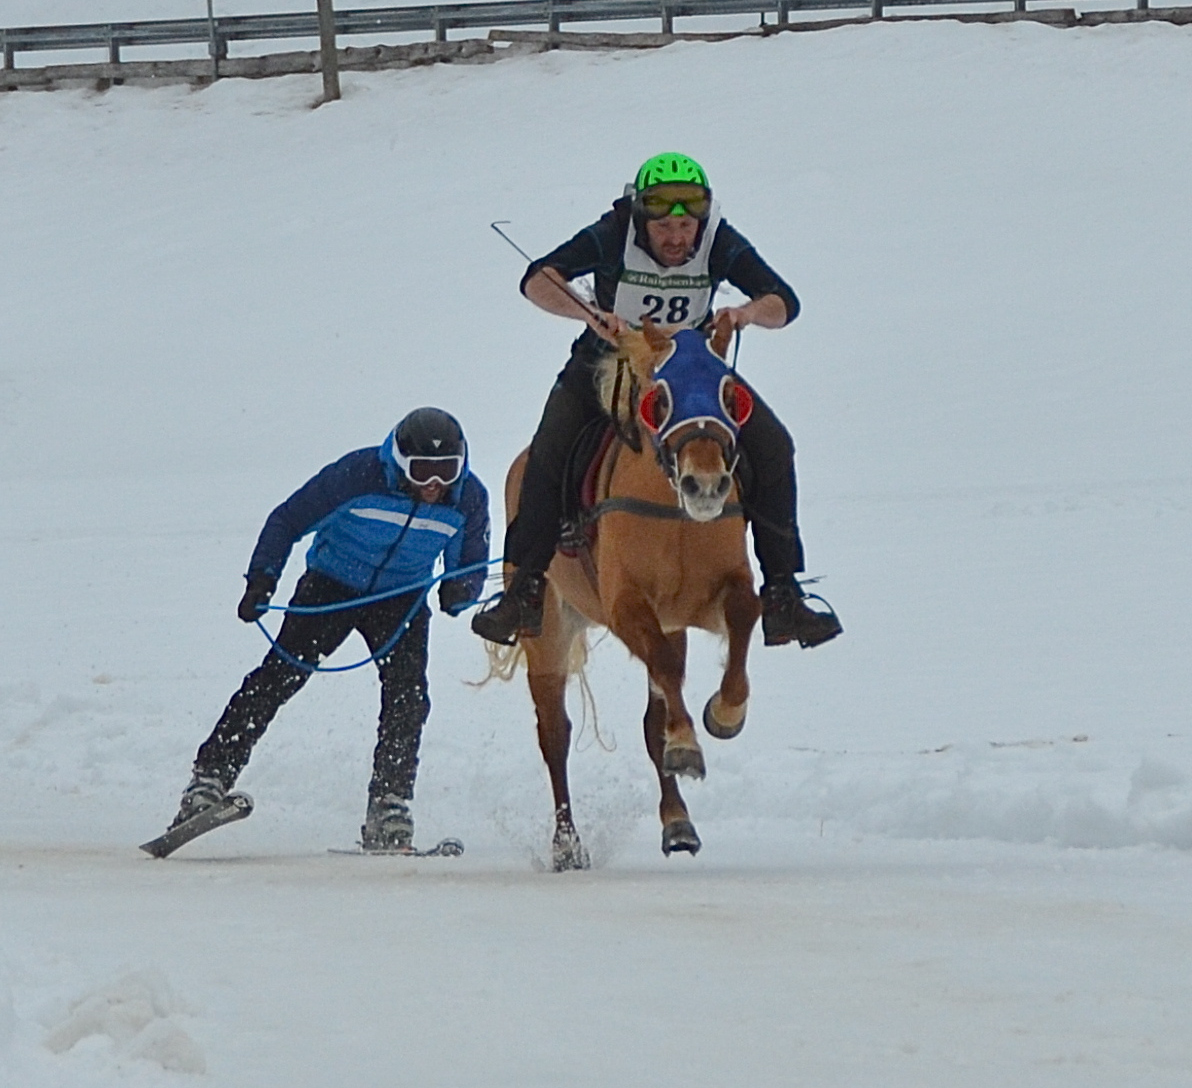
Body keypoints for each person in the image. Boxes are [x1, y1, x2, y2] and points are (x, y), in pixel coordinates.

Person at [471, 152, 842, 650]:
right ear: (643, 220)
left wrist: (748, 312)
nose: (676, 238)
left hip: (689, 376)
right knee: (550, 451)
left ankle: (781, 592)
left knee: (773, 445)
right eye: (664, 227)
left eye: (686, 226)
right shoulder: (613, 232)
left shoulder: (718, 240)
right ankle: (527, 587)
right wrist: (588, 313)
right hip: (606, 367)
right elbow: (538, 280)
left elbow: (784, 301)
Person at [165, 407, 490, 852]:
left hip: (402, 599)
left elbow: (469, 562)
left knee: (408, 695)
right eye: (422, 470)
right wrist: (262, 578)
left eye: (446, 471)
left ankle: (389, 805)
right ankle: (208, 780)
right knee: (280, 677)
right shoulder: (357, 475)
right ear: (398, 460)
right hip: (331, 586)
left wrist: (460, 591)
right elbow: (288, 520)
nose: (434, 484)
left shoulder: (468, 498)